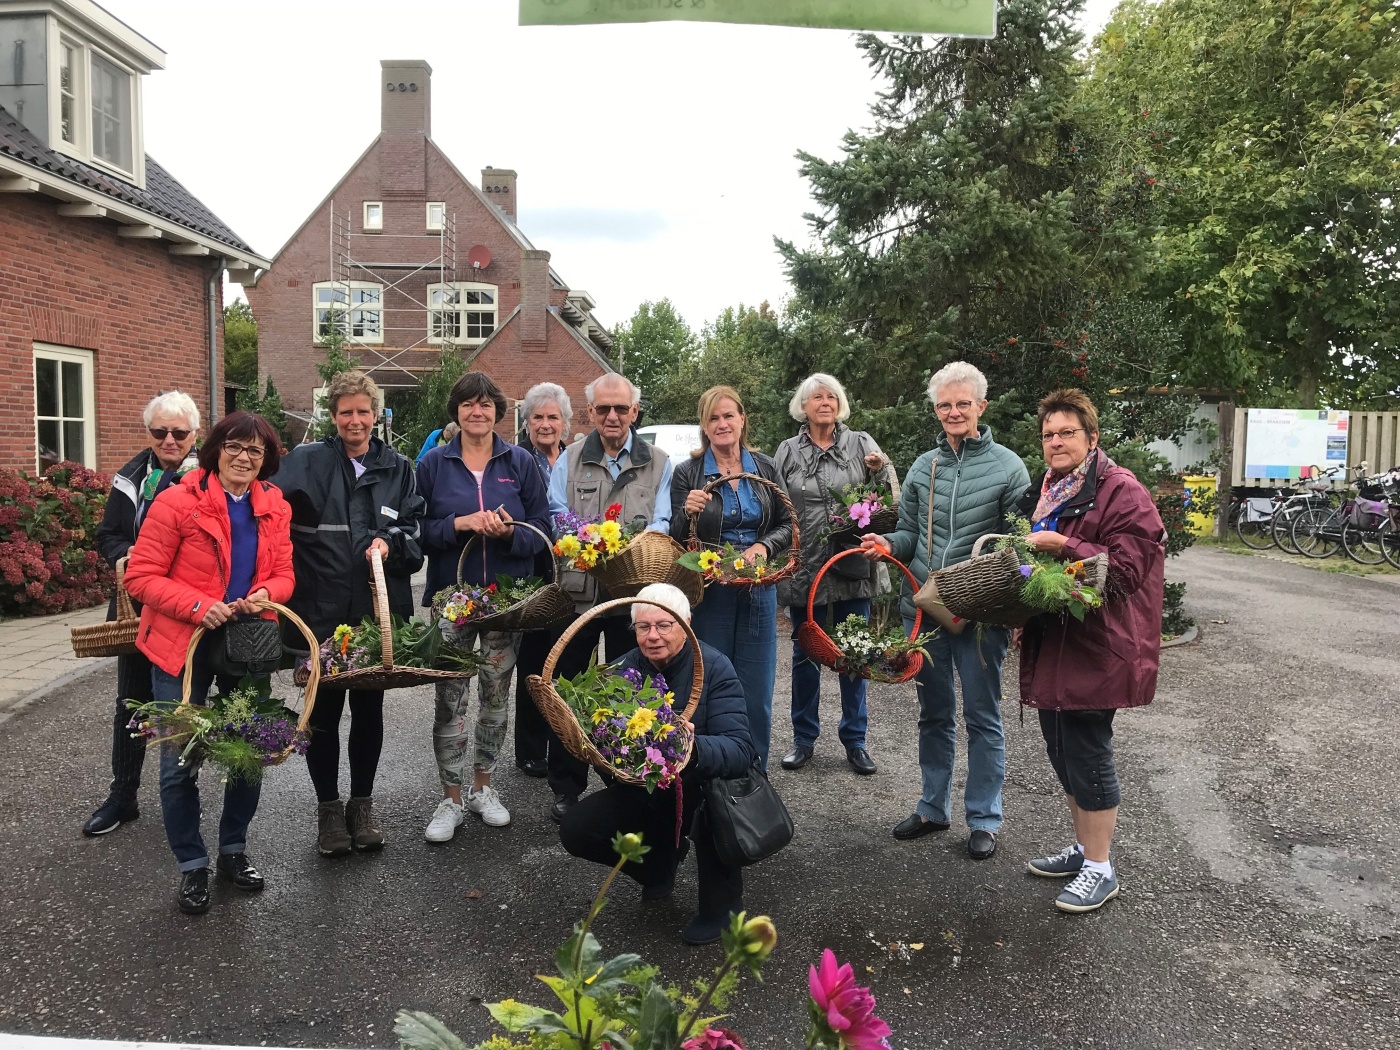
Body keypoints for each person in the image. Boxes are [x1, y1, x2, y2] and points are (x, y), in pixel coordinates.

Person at [123, 411, 295, 916]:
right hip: (181, 644)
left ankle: (233, 851)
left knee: (247, 748)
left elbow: (285, 573)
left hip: (247, 643)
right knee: (180, 760)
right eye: (235, 447)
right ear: (217, 448)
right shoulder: (177, 501)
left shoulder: (274, 505)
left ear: (266, 461)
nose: (244, 458)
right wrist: (200, 605)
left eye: (255, 451)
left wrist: (266, 592)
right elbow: (141, 577)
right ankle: (192, 863)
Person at [861, 361, 1030, 860]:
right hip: (929, 606)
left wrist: (1014, 606)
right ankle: (933, 807)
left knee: (982, 715)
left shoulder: (1007, 466)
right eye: (944, 405)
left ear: (981, 406)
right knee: (933, 713)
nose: (953, 412)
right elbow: (910, 533)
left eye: (962, 403)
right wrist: (886, 541)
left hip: (982, 611)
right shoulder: (922, 467)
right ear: (935, 410)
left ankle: (984, 817)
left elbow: (1019, 544)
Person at [1015, 388, 1164, 913]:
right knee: (1062, 752)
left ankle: (1101, 868)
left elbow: (1124, 572)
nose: (1056, 442)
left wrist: (1064, 547)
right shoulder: (1050, 490)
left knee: (1088, 753)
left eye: (1067, 433)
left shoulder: (1123, 492)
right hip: (1057, 642)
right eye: (1049, 435)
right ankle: (1084, 850)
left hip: (1099, 646)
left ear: (1092, 437)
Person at [272, 371, 424, 857]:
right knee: (322, 714)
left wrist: (393, 540)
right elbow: (267, 508)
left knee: (369, 711)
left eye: (363, 411)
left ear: (376, 415)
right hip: (318, 608)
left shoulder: (399, 468)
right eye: (345, 412)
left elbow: (417, 532)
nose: (354, 421)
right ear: (332, 416)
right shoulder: (305, 461)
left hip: (375, 614)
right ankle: (328, 814)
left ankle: (362, 807)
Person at [558, 583, 754, 946]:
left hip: (704, 784)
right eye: (644, 627)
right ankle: (657, 865)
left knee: (714, 808)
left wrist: (690, 748)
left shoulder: (714, 668)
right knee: (576, 828)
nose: (653, 636)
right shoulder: (620, 670)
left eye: (664, 625)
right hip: (647, 786)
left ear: (687, 624)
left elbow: (740, 749)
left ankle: (722, 909)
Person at [417, 372, 550, 842]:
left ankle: (483, 787)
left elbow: (542, 529)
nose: (478, 412)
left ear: (498, 411)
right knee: (450, 698)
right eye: (469, 405)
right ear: (456, 411)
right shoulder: (433, 464)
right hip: (451, 603)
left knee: (496, 698)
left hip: (504, 604)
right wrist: (458, 523)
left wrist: (511, 531)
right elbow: (419, 533)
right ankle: (451, 798)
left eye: (486, 405)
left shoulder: (521, 462)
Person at [544, 373, 675, 822]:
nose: (612, 417)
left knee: (628, 689)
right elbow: (555, 509)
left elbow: (664, 520)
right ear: (591, 413)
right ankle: (565, 785)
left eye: (621, 409)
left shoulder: (659, 462)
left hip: (629, 598)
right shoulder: (572, 458)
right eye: (603, 409)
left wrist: (626, 546)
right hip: (577, 594)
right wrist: (588, 537)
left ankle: (624, 779)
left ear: (635, 412)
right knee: (568, 688)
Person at [83, 391, 201, 837]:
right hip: (137, 605)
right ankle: (123, 795)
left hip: (189, 607)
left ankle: (184, 795)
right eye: (159, 431)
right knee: (130, 703)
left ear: (194, 434)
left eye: (179, 432)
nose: (169, 440)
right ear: (149, 433)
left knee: (185, 703)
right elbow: (108, 534)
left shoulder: (208, 477)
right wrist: (129, 557)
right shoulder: (130, 477)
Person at [773, 373, 891, 776]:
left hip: (852, 565)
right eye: (816, 397)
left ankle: (855, 741)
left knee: (854, 652)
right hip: (805, 567)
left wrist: (876, 472)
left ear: (840, 404)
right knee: (806, 653)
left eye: (831, 396)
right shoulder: (787, 451)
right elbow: (777, 508)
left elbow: (889, 499)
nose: (825, 402)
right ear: (802, 407)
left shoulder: (862, 443)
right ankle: (803, 740)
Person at [670, 385, 792, 770]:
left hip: (759, 588)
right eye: (713, 418)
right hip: (710, 592)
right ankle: (711, 772)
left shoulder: (765, 467)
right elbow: (674, 538)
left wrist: (764, 548)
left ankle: (754, 775)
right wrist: (687, 511)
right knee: (709, 684)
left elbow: (788, 523)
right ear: (704, 427)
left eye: (728, 416)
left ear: (742, 420)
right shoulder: (688, 472)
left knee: (756, 690)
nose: (722, 424)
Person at [513, 381, 572, 779]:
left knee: (568, 658)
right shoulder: (518, 460)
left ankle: (566, 741)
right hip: (535, 570)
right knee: (534, 660)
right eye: (538, 417)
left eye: (553, 417)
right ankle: (531, 747)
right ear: (527, 422)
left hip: (576, 572)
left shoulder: (576, 458)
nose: (546, 424)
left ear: (565, 423)